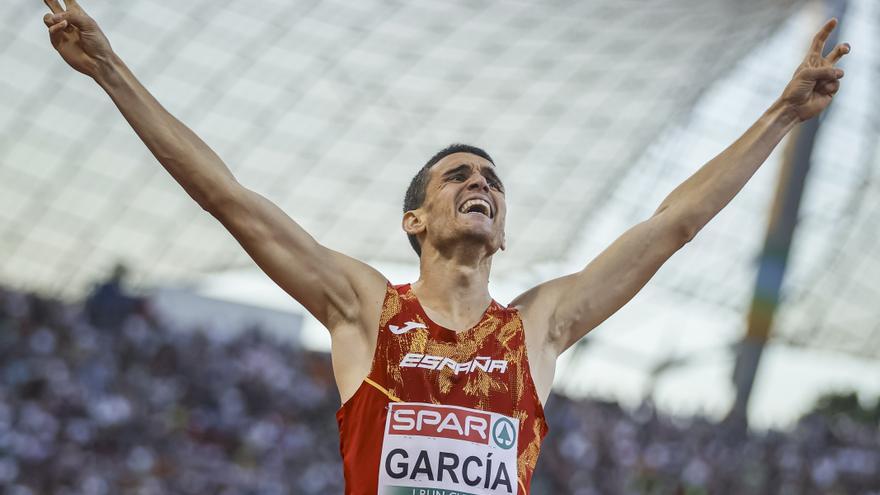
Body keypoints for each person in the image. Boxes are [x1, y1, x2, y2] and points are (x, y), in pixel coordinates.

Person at [41, 1, 850, 493]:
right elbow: (228, 198)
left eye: (494, 181)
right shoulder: (364, 309)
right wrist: (110, 68)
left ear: (504, 228)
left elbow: (672, 226)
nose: (483, 184)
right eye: (459, 175)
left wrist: (781, 115)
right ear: (414, 221)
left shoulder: (538, 326)